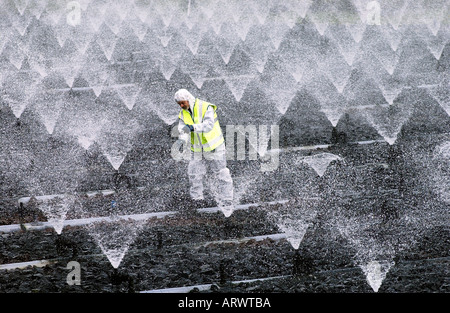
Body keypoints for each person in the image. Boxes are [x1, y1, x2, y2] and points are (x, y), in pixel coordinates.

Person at [174, 89, 234, 217]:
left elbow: (209, 125)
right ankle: (197, 199)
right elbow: (182, 128)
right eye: (179, 104)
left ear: (188, 99)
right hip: (197, 148)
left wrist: (192, 127)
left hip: (214, 146)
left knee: (221, 173)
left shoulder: (206, 107)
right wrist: (182, 138)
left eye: (183, 103)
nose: (181, 106)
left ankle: (227, 199)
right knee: (194, 173)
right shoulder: (183, 113)